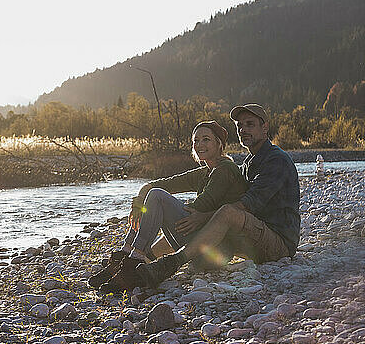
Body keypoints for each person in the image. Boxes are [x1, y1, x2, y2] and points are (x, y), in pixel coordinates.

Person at [101, 104, 301, 293]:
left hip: (278, 242)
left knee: (220, 211)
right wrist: (138, 203)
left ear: (265, 127)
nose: (243, 130)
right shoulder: (247, 162)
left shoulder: (274, 160)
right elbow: (160, 187)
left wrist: (202, 216)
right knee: (169, 204)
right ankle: (131, 261)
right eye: (240, 126)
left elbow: (250, 204)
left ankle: (162, 262)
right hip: (247, 238)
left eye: (250, 125)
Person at [89, 120, 247, 290]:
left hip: (215, 250)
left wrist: (157, 207)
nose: (199, 144)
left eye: (206, 139)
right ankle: (123, 259)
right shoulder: (205, 172)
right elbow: (153, 185)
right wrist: (138, 205)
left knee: (157, 197)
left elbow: (202, 205)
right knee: (152, 196)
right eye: (195, 140)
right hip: (200, 245)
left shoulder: (226, 169)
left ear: (219, 144)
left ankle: (133, 261)